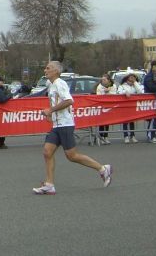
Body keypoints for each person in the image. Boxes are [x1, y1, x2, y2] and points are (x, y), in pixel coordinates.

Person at [32, 61, 112, 195]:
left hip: (65, 124)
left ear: (56, 71)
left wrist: (50, 110)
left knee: (72, 156)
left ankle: (103, 169)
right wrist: (51, 115)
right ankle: (49, 184)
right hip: (56, 125)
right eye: (45, 68)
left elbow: (69, 101)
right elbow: (55, 101)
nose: (45, 70)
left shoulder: (60, 83)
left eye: (48, 68)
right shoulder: (50, 84)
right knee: (47, 152)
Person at [117, 72, 143, 143]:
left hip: (132, 106)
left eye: (133, 77)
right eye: (131, 77)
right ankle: (126, 136)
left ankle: (132, 135)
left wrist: (135, 83)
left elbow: (140, 91)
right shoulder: (122, 86)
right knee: (125, 121)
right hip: (124, 106)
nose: (132, 78)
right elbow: (119, 92)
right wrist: (125, 92)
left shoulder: (135, 85)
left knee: (132, 121)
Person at [143, 60, 156, 143]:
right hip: (151, 100)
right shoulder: (149, 76)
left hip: (155, 100)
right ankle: (151, 136)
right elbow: (152, 87)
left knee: (155, 118)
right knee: (152, 118)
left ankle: (153, 135)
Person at [95, 74, 117, 144]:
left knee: (107, 122)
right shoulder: (99, 87)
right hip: (102, 106)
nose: (103, 81)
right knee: (102, 122)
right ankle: (101, 137)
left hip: (110, 106)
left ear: (108, 80)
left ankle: (106, 137)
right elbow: (98, 96)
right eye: (102, 80)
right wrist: (105, 92)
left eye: (105, 80)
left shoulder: (113, 86)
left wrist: (109, 93)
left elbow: (115, 94)